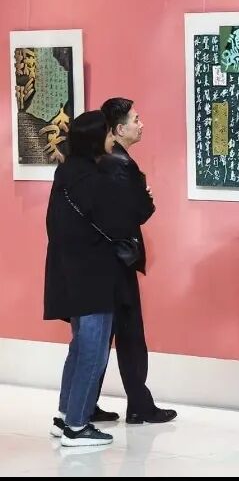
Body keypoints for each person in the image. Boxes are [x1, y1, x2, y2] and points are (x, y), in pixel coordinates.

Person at [44, 111, 141, 447]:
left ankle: (65, 415)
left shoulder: (67, 171)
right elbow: (122, 220)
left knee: (80, 345)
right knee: (94, 350)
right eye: (109, 134)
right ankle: (77, 425)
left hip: (69, 272)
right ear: (95, 139)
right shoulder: (94, 178)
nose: (113, 139)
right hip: (93, 274)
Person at [93, 97, 176, 425]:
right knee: (128, 336)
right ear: (118, 129)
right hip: (118, 261)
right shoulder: (121, 165)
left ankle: (87, 402)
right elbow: (139, 210)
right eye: (136, 120)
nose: (141, 125)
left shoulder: (100, 160)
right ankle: (139, 404)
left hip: (102, 260)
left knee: (100, 335)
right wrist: (146, 197)